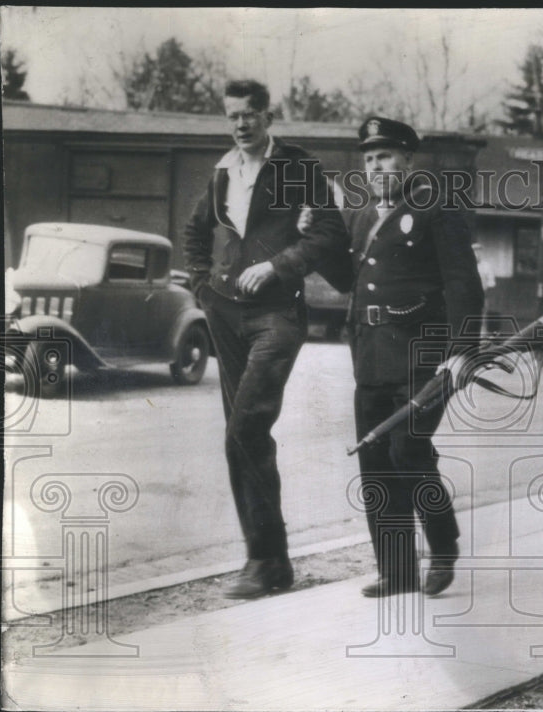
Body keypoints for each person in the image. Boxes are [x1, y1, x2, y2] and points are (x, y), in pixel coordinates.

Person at [184, 79, 350, 598]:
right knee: (241, 432)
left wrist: (278, 267)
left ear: (268, 116)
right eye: (232, 115)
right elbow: (194, 231)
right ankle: (267, 561)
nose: (240, 124)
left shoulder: (299, 167)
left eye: (250, 114)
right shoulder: (222, 172)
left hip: (277, 316)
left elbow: (328, 233)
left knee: (245, 427)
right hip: (226, 316)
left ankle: (267, 559)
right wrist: (201, 284)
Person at [315, 116, 484, 598]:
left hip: (424, 357)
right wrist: (322, 232)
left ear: (408, 159)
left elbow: (462, 282)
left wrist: (463, 351)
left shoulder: (435, 207)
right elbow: (348, 280)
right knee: (376, 461)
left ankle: (443, 542)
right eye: (369, 159)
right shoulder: (364, 217)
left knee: (407, 451)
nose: (375, 166)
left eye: (385, 156)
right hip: (370, 357)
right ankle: (396, 570)